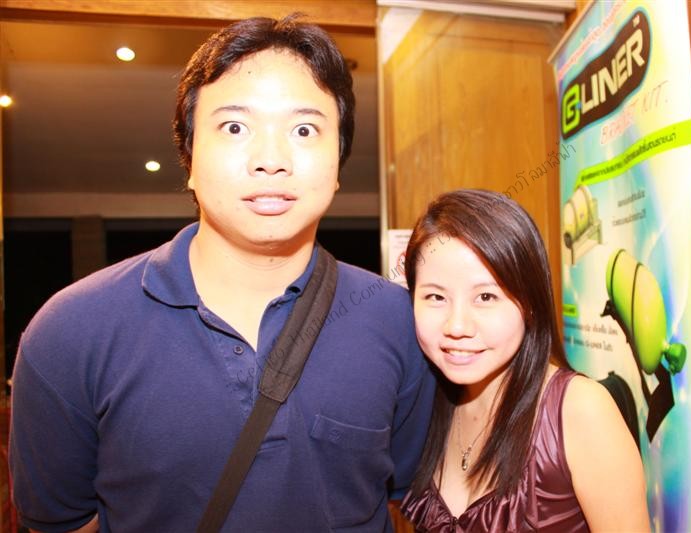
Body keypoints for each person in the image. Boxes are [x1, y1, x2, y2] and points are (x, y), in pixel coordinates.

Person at [10, 15, 434, 532]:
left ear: (338, 162)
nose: (271, 160)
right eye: (235, 127)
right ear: (189, 157)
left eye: (304, 130)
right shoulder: (71, 330)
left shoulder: (400, 321)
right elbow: (64, 521)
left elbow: (414, 495)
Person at [400, 189, 650, 532]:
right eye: (435, 296)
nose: (456, 326)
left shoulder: (579, 411)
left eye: (485, 296)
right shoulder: (420, 400)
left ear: (529, 303)